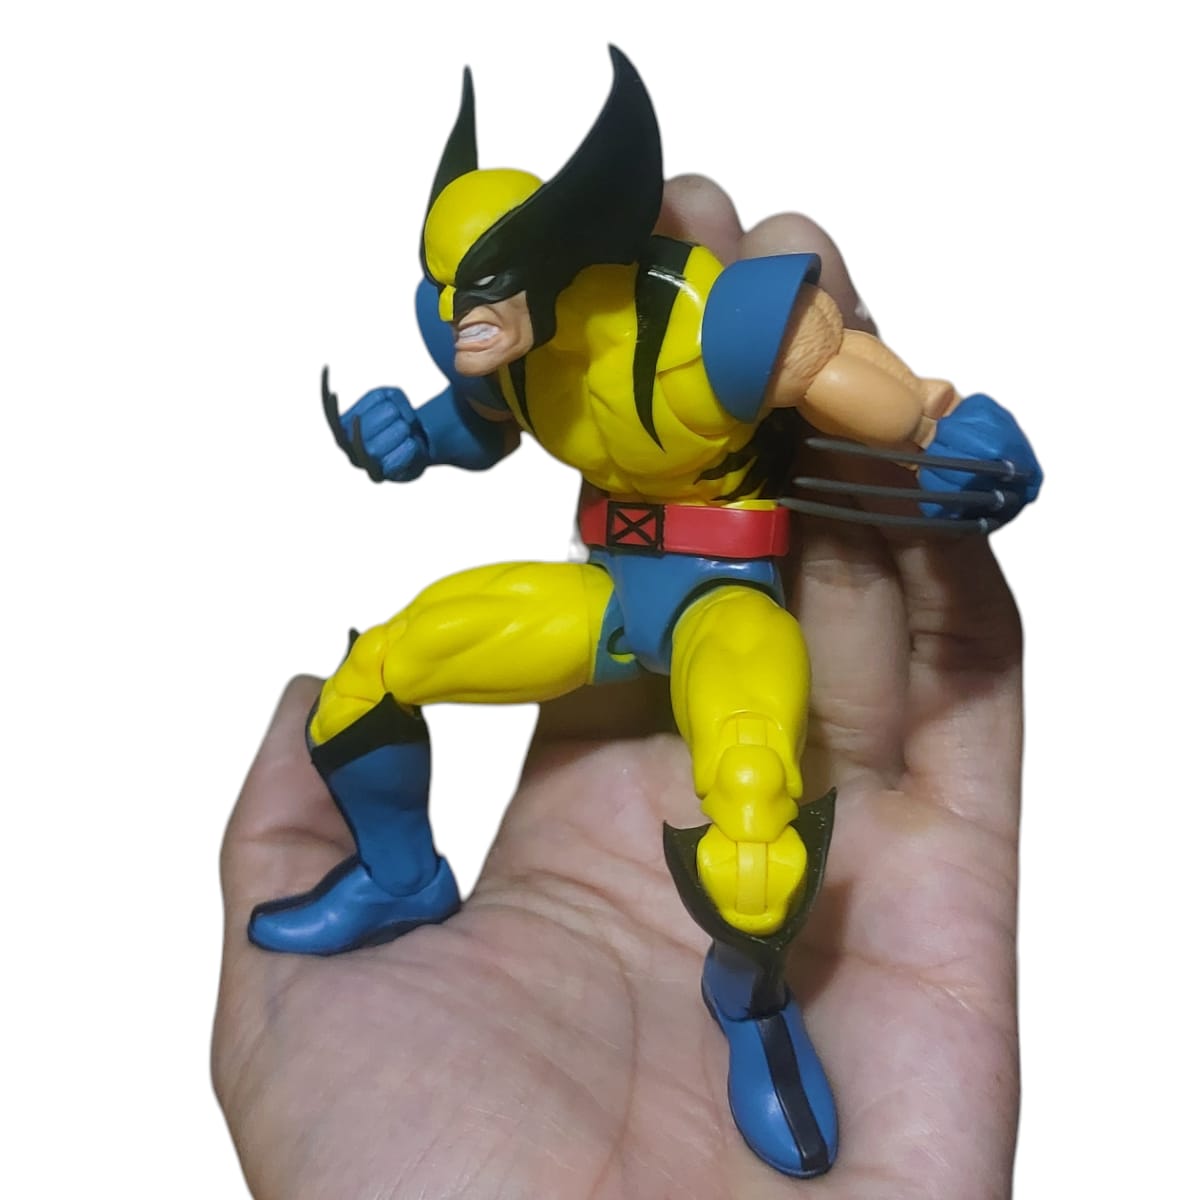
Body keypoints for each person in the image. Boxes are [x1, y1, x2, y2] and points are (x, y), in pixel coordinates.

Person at [214, 51, 1032, 1196]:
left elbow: (873, 386)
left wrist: (955, 436)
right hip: (602, 592)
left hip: (723, 601)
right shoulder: (495, 336)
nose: (454, 319)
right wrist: (410, 438)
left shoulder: (703, 322)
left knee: (753, 806)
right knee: (374, 676)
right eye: (444, 288)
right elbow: (476, 421)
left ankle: (753, 1008)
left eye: (479, 290)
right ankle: (401, 878)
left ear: (557, 259)